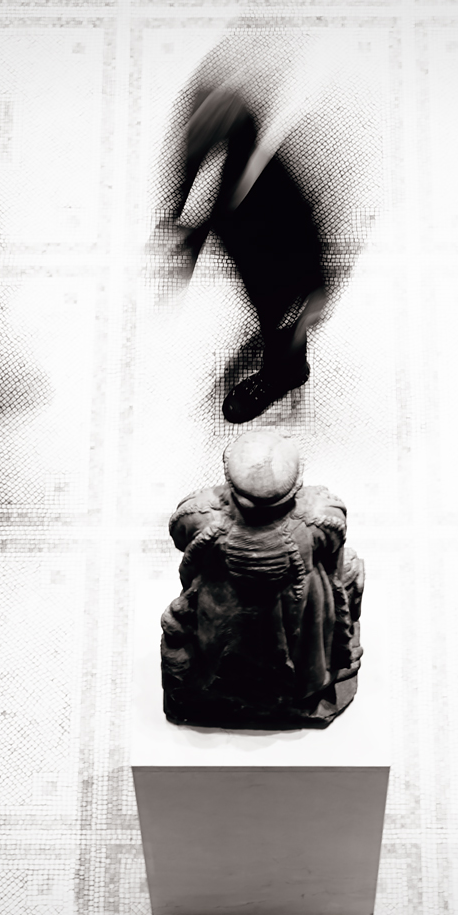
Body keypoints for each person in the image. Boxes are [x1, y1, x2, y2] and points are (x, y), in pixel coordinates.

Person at [160, 430, 365, 729]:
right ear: (296, 486)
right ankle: (307, 686)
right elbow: (334, 553)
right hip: (300, 610)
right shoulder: (321, 517)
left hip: (219, 609)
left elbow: (181, 538)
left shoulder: (200, 514)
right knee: (349, 570)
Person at [163, 86, 330, 424]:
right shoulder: (220, 165)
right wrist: (183, 229)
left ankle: (286, 372)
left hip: (282, 271)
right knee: (264, 293)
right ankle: (284, 339)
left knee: (281, 317)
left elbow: (306, 237)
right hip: (248, 244)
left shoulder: (273, 187)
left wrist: (313, 290)